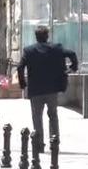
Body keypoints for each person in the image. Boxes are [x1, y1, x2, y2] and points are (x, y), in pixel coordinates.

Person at [17, 25, 78, 153]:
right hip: (52, 89)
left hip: (35, 90)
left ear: (36, 37)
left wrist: (23, 84)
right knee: (53, 115)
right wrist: (73, 68)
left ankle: (39, 144)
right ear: (47, 36)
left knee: (37, 117)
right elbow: (72, 54)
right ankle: (54, 141)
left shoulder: (29, 51)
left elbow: (20, 67)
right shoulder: (56, 48)